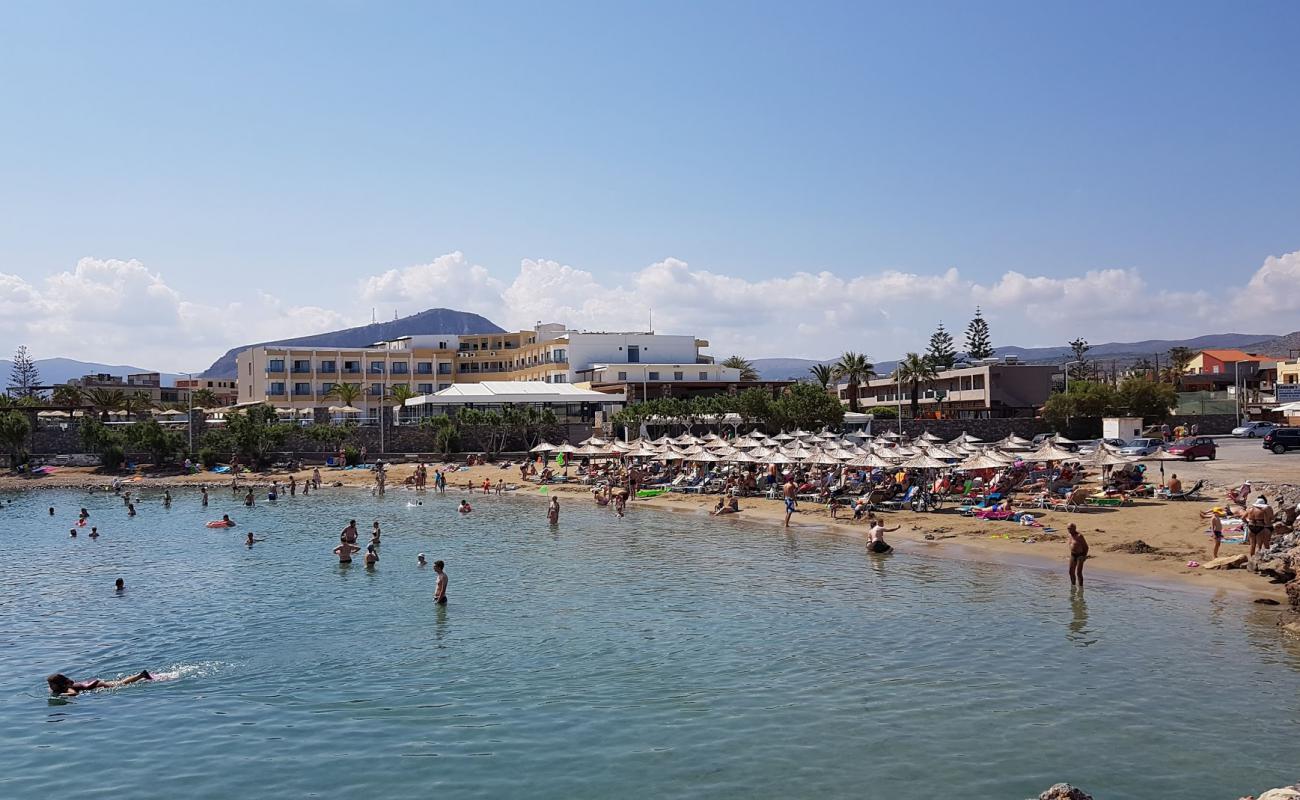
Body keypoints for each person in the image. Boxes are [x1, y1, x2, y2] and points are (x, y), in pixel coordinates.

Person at [48, 670, 153, 696]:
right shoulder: (65, 686)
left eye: (52, 685)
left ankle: (141, 676)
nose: (50, 687)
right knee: (120, 682)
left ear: (60, 684)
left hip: (98, 685)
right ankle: (141, 676)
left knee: (121, 683)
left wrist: (61, 694)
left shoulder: (66, 689)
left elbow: (74, 694)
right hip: (94, 683)